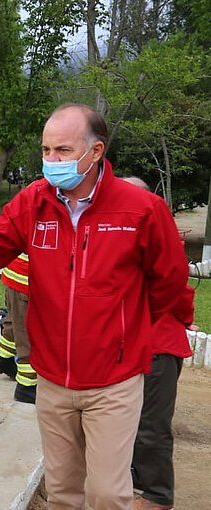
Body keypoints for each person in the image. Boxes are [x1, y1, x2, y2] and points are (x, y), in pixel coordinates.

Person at [0, 103, 188, 510]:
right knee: (62, 493)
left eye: (62, 151)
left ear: (95, 152)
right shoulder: (35, 203)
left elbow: (169, 283)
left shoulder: (140, 209)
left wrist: (130, 336)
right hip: (53, 379)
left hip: (113, 382)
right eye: (46, 151)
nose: (51, 161)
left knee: (107, 495)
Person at [121, 176, 196, 510]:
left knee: (149, 426)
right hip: (121, 345)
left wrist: (180, 319)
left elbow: (178, 288)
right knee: (119, 421)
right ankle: (130, 483)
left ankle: (154, 495)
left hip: (156, 346)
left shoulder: (157, 239)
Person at [0, 253, 38, 404]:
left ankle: (4, 360)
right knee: (26, 334)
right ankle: (26, 387)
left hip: (15, 275)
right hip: (27, 280)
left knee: (14, 321)